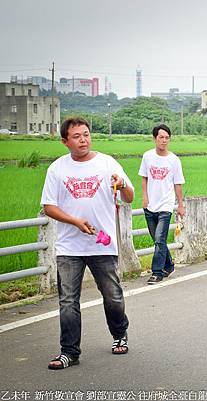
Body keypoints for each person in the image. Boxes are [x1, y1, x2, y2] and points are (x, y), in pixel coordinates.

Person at [41, 117, 134, 369]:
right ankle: (69, 352)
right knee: (68, 300)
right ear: (64, 141)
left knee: (112, 296)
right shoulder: (57, 169)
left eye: (86, 134)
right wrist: (74, 221)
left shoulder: (107, 163)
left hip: (102, 245)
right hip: (69, 246)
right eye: (76, 136)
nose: (83, 140)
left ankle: (119, 334)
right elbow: (48, 206)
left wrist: (122, 184)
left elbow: (129, 197)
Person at [139, 124, 185, 284]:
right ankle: (169, 264)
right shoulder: (147, 156)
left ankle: (157, 272)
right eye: (161, 137)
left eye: (167, 138)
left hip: (166, 205)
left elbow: (178, 183)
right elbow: (144, 178)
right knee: (157, 239)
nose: (164, 141)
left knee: (159, 239)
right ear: (154, 139)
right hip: (150, 205)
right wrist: (144, 197)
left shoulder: (173, 160)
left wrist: (180, 205)